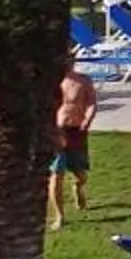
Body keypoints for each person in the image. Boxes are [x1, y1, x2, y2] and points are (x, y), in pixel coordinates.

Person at [47, 65, 97, 231]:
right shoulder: (52, 81)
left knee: (81, 174)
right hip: (57, 132)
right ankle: (60, 216)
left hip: (77, 131)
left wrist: (87, 120)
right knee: (56, 175)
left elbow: (91, 103)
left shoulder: (84, 80)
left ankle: (78, 186)